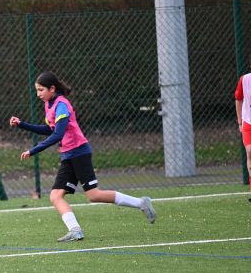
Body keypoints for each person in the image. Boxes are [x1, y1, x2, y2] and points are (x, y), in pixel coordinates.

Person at [10, 71, 155, 242]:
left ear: (52, 88)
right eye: (37, 90)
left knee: (94, 195)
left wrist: (33, 151)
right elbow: (49, 129)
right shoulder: (49, 104)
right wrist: (22, 124)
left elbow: (58, 134)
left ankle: (141, 203)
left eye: (41, 90)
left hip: (79, 152)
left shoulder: (62, 105)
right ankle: (75, 230)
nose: (38, 94)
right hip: (68, 155)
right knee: (55, 195)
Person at [234, 71, 251, 200]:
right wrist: (240, 121)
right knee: (250, 151)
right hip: (248, 121)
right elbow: (238, 99)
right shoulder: (245, 80)